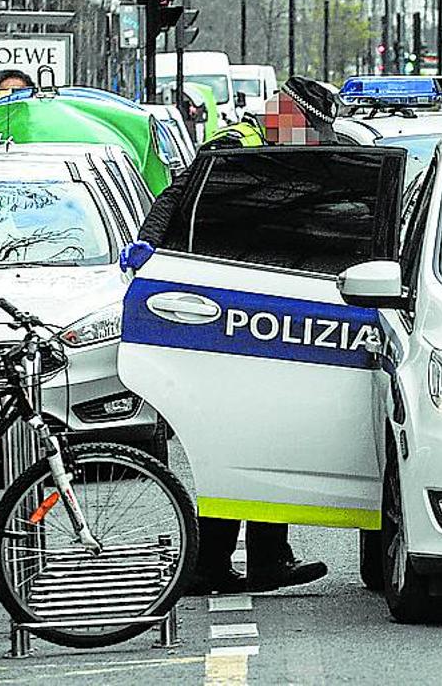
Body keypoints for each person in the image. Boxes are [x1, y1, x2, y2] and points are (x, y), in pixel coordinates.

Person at [121, 127, 328, 595]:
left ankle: (250, 559)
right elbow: (166, 209)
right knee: (246, 452)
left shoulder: (217, 210)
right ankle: (229, 562)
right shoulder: (210, 203)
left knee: (248, 453)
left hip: (231, 344)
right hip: (227, 348)